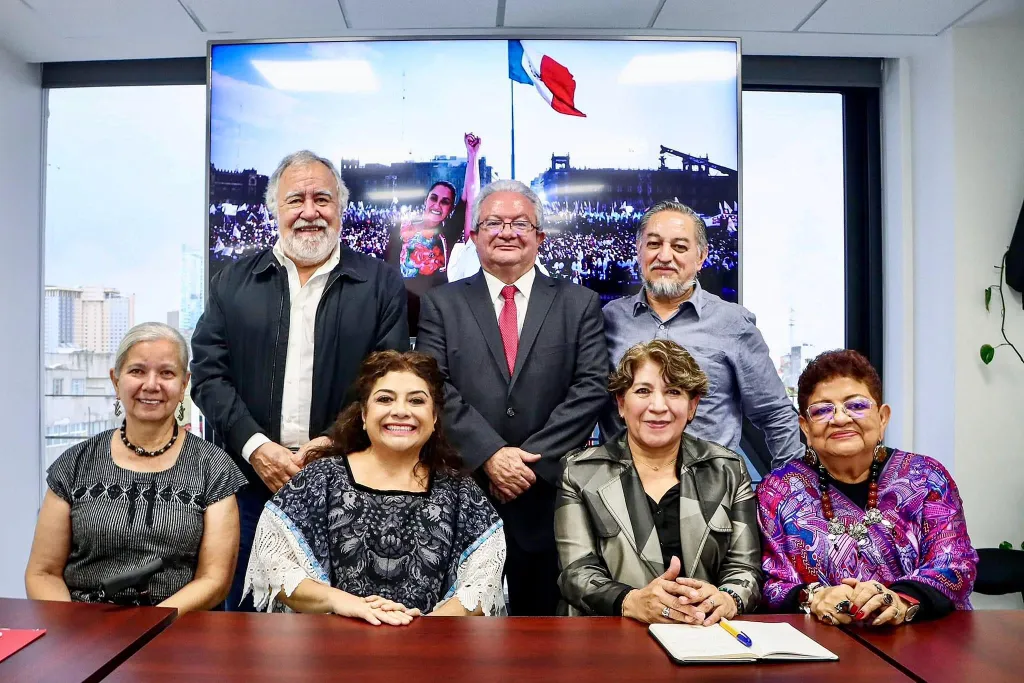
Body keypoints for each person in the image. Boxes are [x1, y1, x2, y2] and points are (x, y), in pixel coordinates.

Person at [191, 150, 409, 611]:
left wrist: (331, 443)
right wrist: (256, 446)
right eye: (296, 200)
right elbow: (208, 373)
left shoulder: (380, 284)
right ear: (275, 209)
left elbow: (388, 384)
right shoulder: (233, 281)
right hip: (249, 484)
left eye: (322, 199)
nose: (310, 212)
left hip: (350, 483)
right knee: (249, 626)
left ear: (341, 208)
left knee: (346, 624)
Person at [416, 179, 608, 616]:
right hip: (461, 490)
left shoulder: (579, 304)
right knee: (457, 630)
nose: (507, 232)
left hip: (547, 494)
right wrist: (490, 455)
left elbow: (591, 387)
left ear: (540, 237)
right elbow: (432, 386)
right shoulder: (442, 305)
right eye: (494, 222)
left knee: (540, 633)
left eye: (520, 223)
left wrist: (525, 461)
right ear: (475, 234)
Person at [243, 351, 506, 620]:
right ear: (364, 415)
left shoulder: (461, 491)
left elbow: (483, 582)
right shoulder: (320, 479)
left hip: (429, 649)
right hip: (329, 651)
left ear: (435, 416)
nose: (401, 411)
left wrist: (424, 628)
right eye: (385, 399)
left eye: (416, 400)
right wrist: (344, 603)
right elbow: (274, 563)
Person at [26, 323, 247, 612]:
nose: (151, 385)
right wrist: (73, 630)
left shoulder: (214, 468)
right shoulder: (75, 464)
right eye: (137, 371)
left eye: (167, 373)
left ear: (184, 385)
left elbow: (215, 580)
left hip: (174, 631)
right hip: (84, 631)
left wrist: (150, 625)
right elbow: (42, 572)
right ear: (115, 381)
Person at [757, 349, 978, 626]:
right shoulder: (777, 490)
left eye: (856, 406)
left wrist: (900, 599)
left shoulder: (926, 478)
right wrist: (813, 596)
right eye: (822, 410)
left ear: (883, 417)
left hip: (923, 639)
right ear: (806, 427)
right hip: (820, 643)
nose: (839, 418)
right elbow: (770, 582)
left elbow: (956, 565)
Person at [556, 340, 761, 622]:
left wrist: (727, 598)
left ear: (692, 406)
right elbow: (575, 572)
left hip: (703, 635)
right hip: (610, 635)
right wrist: (630, 601)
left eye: (673, 392)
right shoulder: (580, 471)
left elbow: (744, 567)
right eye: (643, 391)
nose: (658, 406)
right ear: (621, 404)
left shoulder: (728, 469)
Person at [601, 200, 802, 471]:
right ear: (638, 251)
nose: (664, 256)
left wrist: (791, 488)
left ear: (701, 257)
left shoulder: (733, 324)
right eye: (653, 244)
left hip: (711, 495)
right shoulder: (608, 319)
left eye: (679, 247)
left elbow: (775, 414)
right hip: (621, 496)